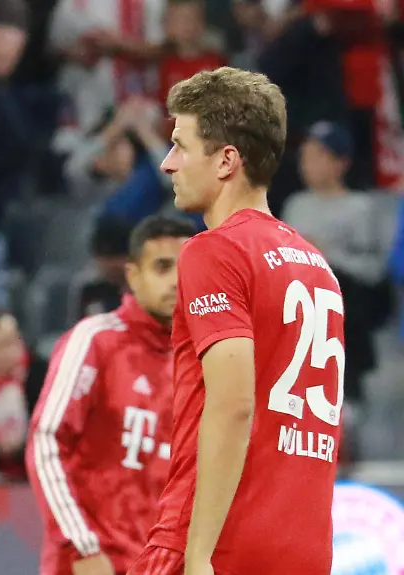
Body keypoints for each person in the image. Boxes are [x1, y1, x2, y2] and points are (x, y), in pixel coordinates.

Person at [129, 67, 345, 575]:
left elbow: (232, 404)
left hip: (219, 537)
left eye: (180, 145)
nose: (167, 162)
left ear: (226, 160)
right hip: (304, 547)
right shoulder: (317, 266)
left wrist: (198, 552)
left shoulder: (215, 250)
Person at [27, 214, 197, 575]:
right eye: (162, 267)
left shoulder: (203, 362)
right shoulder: (95, 341)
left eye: (186, 269)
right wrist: (81, 548)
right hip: (94, 563)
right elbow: (47, 442)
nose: (176, 281)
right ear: (132, 275)